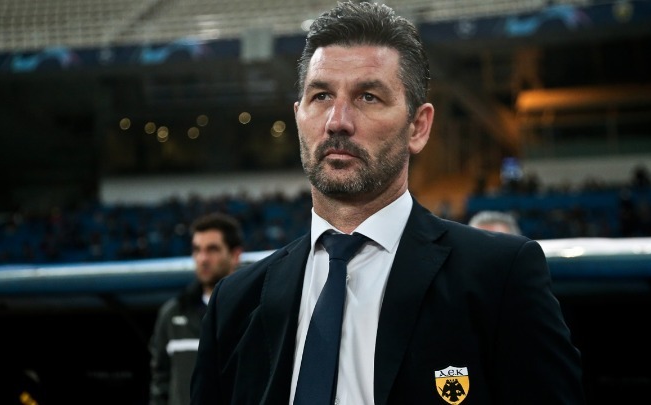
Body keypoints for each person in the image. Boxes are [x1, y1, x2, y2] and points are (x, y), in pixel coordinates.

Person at [191, 2, 585, 404]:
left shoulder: (499, 278)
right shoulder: (235, 303)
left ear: (418, 127)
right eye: (321, 95)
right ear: (298, 116)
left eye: (368, 97)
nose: (337, 121)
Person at [149, 212, 243, 405]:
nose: (202, 258)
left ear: (235, 255)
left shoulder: (256, 310)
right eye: (197, 250)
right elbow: (160, 383)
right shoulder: (172, 313)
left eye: (212, 249)